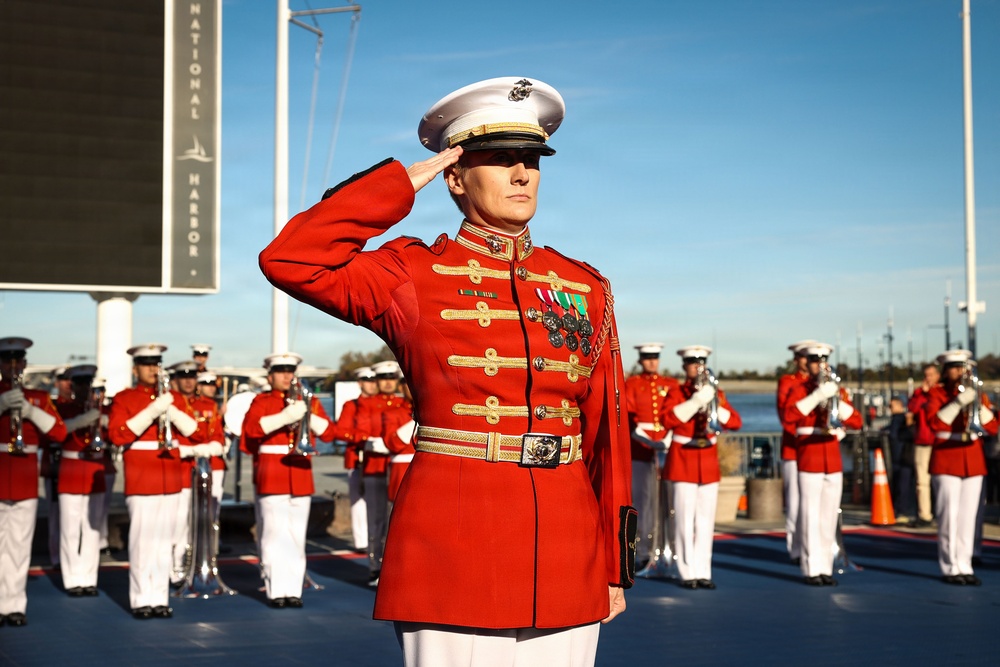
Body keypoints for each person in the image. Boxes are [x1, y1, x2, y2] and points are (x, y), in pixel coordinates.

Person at [260, 76, 634, 666]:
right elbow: (291, 259)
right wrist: (396, 185)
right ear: (456, 176)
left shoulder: (585, 286)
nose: (522, 175)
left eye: (532, 161)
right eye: (500, 160)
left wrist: (613, 563)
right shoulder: (410, 273)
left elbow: (605, 435)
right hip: (455, 539)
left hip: (567, 544)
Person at [108, 344, 201, 619]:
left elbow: (194, 432)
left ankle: (159, 597)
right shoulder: (124, 398)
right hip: (142, 475)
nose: (152, 369)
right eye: (146, 364)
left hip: (169, 475)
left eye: (156, 363)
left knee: (164, 542)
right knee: (142, 542)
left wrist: (169, 409)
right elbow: (118, 435)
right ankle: (140, 599)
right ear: (135, 369)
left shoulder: (173, 398)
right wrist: (152, 411)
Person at [241, 352, 337, 608]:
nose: (287, 376)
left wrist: (307, 414)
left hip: (300, 473)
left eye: (290, 371)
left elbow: (329, 433)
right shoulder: (261, 401)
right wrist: (286, 416)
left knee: (296, 536)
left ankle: (293, 590)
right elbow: (250, 431)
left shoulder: (308, 400)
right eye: (281, 371)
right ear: (270, 375)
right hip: (273, 473)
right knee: (273, 534)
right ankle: (276, 590)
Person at [660, 346, 741, 589]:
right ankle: (687, 572)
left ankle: (703, 571)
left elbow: (736, 423)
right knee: (684, 520)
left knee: (706, 521)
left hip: (707, 462)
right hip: (683, 460)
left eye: (701, 363)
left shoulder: (717, 392)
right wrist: (696, 402)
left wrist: (714, 402)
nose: (698, 368)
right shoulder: (676, 392)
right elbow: (667, 420)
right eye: (693, 363)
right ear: (685, 367)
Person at [0, 337, 67, 627]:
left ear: (25, 364)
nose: (13, 366)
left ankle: (14, 605)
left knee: (19, 546)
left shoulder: (37, 397)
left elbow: (59, 433)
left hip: (25, 477)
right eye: (7, 360)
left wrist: (30, 411)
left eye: (18, 361)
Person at [783, 343, 862, 586]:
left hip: (832, 458)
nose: (820, 366)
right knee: (809, 516)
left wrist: (836, 398)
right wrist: (817, 395)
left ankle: (825, 567)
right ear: (807, 363)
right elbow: (789, 417)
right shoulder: (798, 388)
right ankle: (810, 568)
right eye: (815, 361)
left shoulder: (838, 389)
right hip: (810, 455)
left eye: (824, 361)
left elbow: (857, 421)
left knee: (828, 517)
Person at [922, 349, 998, 585]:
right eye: (954, 368)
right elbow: (935, 423)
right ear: (946, 371)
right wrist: (957, 403)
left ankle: (965, 564)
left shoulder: (978, 394)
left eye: (962, 368)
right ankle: (950, 565)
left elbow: (993, 428)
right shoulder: (937, 393)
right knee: (949, 516)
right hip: (947, 458)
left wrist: (977, 403)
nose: (959, 372)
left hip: (973, 460)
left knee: (969, 517)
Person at [54, 364, 106, 596]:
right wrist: (85, 419)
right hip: (72, 469)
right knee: (70, 528)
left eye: (88, 384)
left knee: (91, 528)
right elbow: (57, 432)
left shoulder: (100, 409)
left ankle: (88, 578)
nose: (84, 388)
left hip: (93, 466)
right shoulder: (61, 407)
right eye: (80, 384)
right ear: (73, 386)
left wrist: (100, 420)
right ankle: (72, 578)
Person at [624, 343, 678, 568]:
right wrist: (645, 439)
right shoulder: (633, 384)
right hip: (640, 449)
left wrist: (666, 438)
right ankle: (644, 550)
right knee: (643, 501)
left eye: (655, 358)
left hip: (666, 449)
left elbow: (674, 413)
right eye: (647, 358)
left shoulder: (670, 384)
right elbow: (629, 415)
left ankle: (668, 548)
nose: (652, 362)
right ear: (641, 360)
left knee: (669, 502)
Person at [360, 359, 410, 586]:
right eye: (384, 379)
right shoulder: (366, 405)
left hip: (395, 465)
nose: (388, 383)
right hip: (376, 466)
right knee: (377, 520)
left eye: (393, 379)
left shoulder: (405, 406)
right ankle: (375, 565)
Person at [776, 340, 817, 565]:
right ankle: (796, 548)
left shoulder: (820, 383)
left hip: (816, 450)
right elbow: (786, 417)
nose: (807, 362)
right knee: (795, 501)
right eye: (804, 357)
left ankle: (815, 546)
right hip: (794, 449)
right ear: (796, 360)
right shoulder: (788, 382)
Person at [331, 366, 380, 552]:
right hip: (357, 458)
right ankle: (361, 541)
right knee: (358, 502)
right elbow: (340, 431)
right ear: (360, 383)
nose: (372, 385)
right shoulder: (351, 406)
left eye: (374, 381)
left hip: (378, 460)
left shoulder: (383, 404)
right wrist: (360, 437)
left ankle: (376, 537)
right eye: (368, 381)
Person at [907, 362, 940, 528]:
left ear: (938, 376)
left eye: (931, 375)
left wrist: (931, 394)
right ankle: (924, 514)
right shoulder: (919, 393)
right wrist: (922, 395)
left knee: (942, 480)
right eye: (926, 375)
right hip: (922, 440)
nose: (928, 378)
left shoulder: (940, 392)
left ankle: (942, 513)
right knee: (922, 481)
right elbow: (912, 408)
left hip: (938, 441)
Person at [884, 397, 916, 521]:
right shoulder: (897, 420)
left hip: (903, 456)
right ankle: (900, 510)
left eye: (891, 406)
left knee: (903, 485)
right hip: (900, 456)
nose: (890, 409)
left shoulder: (900, 419)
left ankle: (902, 511)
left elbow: (895, 435)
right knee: (901, 484)